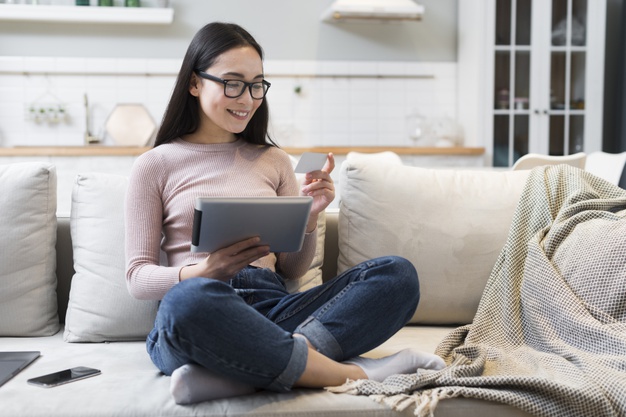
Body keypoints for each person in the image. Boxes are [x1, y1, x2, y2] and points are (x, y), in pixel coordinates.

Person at [125, 21, 445, 405]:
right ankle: (352, 374)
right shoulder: (154, 165)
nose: (247, 98)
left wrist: (308, 219)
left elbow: (293, 270)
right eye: (232, 82)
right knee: (186, 304)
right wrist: (203, 272)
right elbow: (137, 277)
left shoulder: (274, 160)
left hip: (273, 308)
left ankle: (239, 373)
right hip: (202, 308)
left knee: (396, 276)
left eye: (257, 84)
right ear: (195, 83)